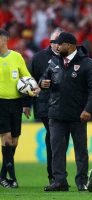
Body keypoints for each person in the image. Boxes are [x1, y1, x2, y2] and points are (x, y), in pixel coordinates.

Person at [40, 32, 92, 192]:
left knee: (81, 150)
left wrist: (88, 109)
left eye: (59, 44)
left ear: (69, 45)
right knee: (57, 150)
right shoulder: (54, 61)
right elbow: (44, 78)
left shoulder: (86, 63)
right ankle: (59, 181)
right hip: (56, 114)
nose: (56, 47)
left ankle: (81, 181)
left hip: (78, 115)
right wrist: (43, 83)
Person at [29, 28, 71, 185]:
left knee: (61, 140)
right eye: (55, 42)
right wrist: (27, 104)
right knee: (55, 140)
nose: (58, 45)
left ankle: (57, 176)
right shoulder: (39, 58)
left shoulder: (70, 59)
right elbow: (29, 81)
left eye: (61, 42)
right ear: (50, 42)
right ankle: (55, 176)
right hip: (45, 106)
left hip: (65, 106)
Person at [0, 29, 39, 188]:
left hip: (15, 103)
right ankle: (13, 178)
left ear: (6, 39)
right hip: (0, 103)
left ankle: (3, 176)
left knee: (15, 140)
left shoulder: (16, 57)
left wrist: (30, 97)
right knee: (7, 138)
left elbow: (27, 79)